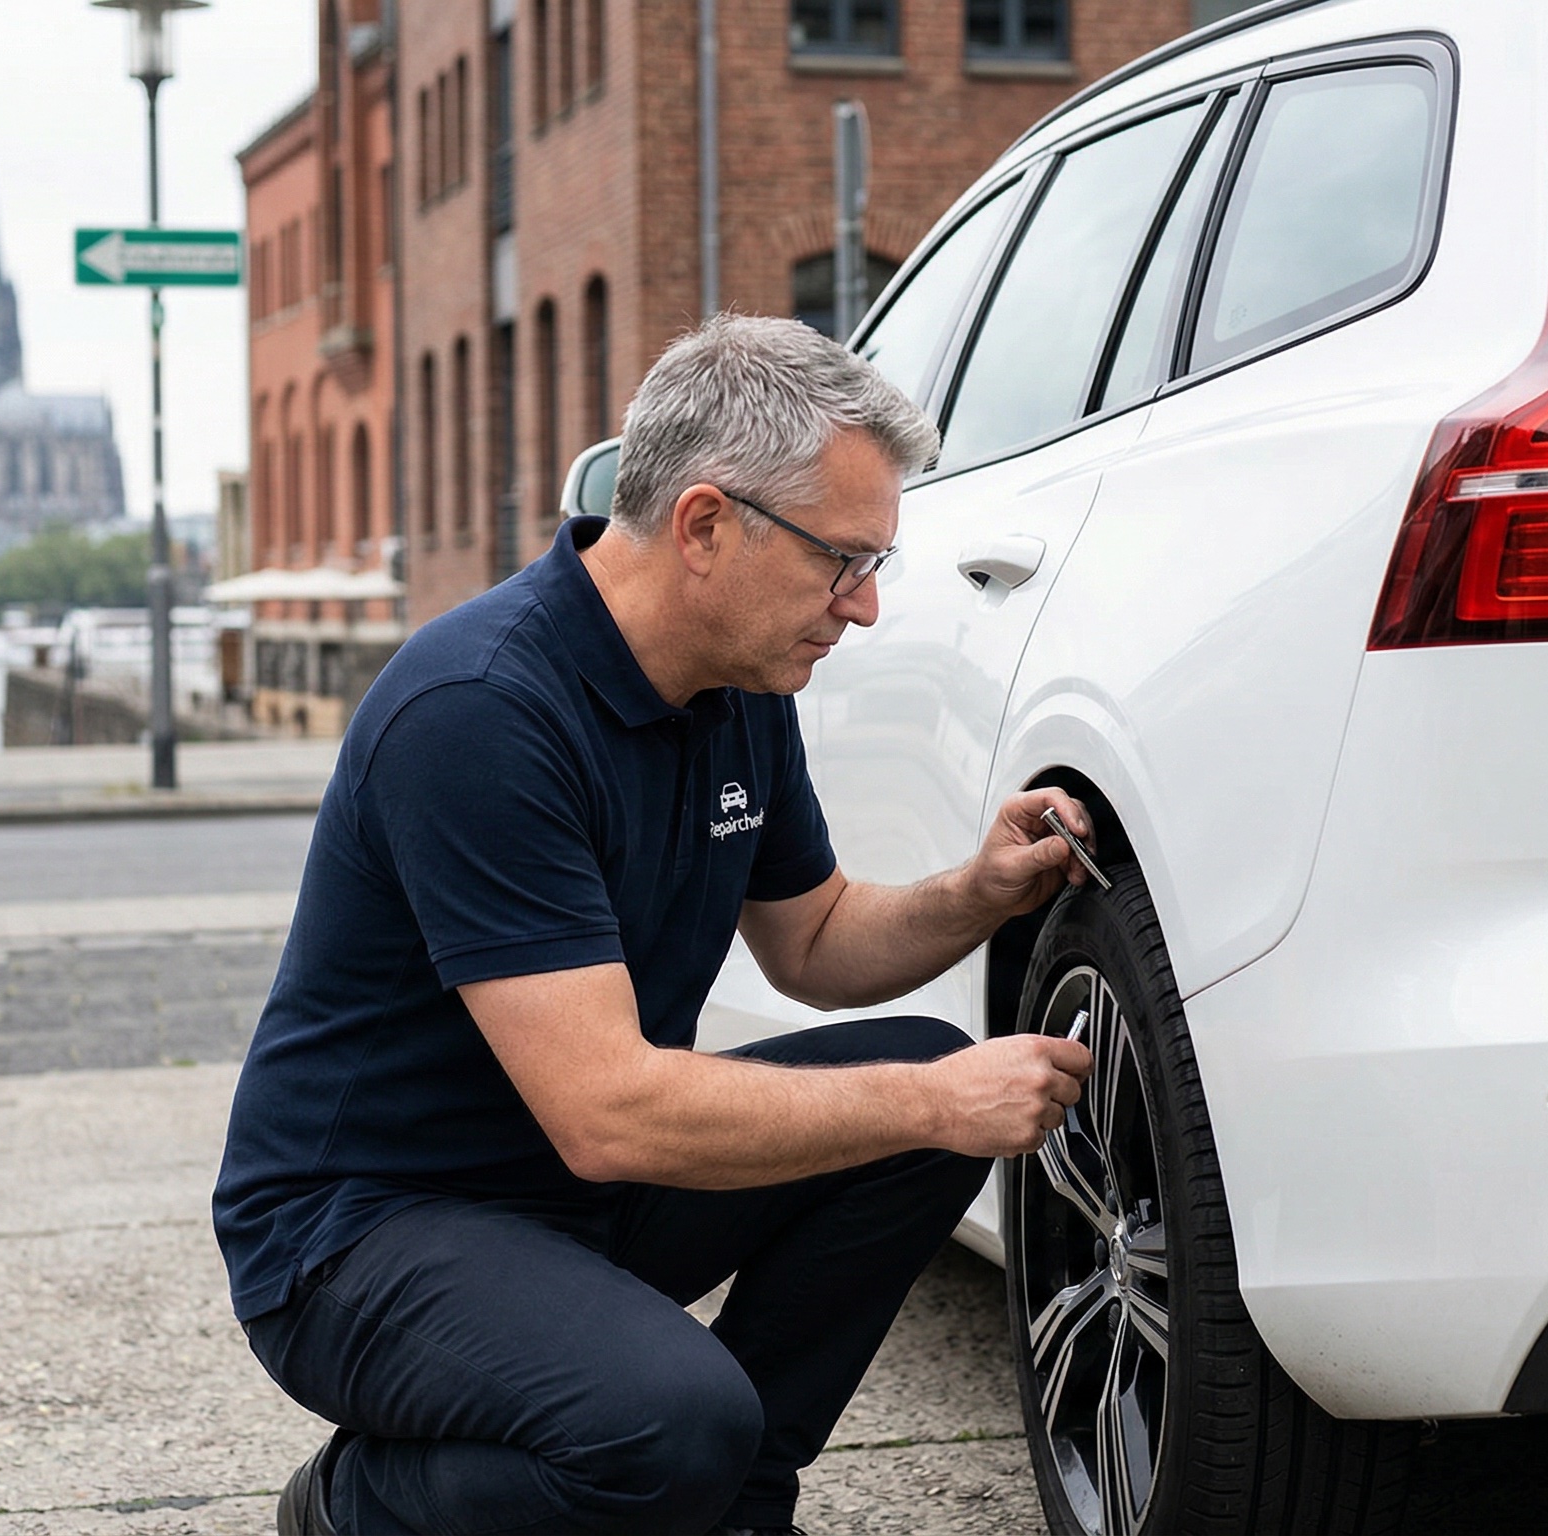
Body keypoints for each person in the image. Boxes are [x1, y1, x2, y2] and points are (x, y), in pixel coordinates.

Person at [216, 313, 1098, 1536]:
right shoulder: (478, 711)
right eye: (842, 561)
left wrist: (978, 891)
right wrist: (932, 1103)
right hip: (363, 1232)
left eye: (875, 564)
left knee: (922, 1088)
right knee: (670, 1420)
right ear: (703, 525)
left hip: (579, 1194)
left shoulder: (736, 682)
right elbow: (606, 1111)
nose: (863, 607)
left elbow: (815, 943)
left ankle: (738, 1511)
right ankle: (353, 1508)